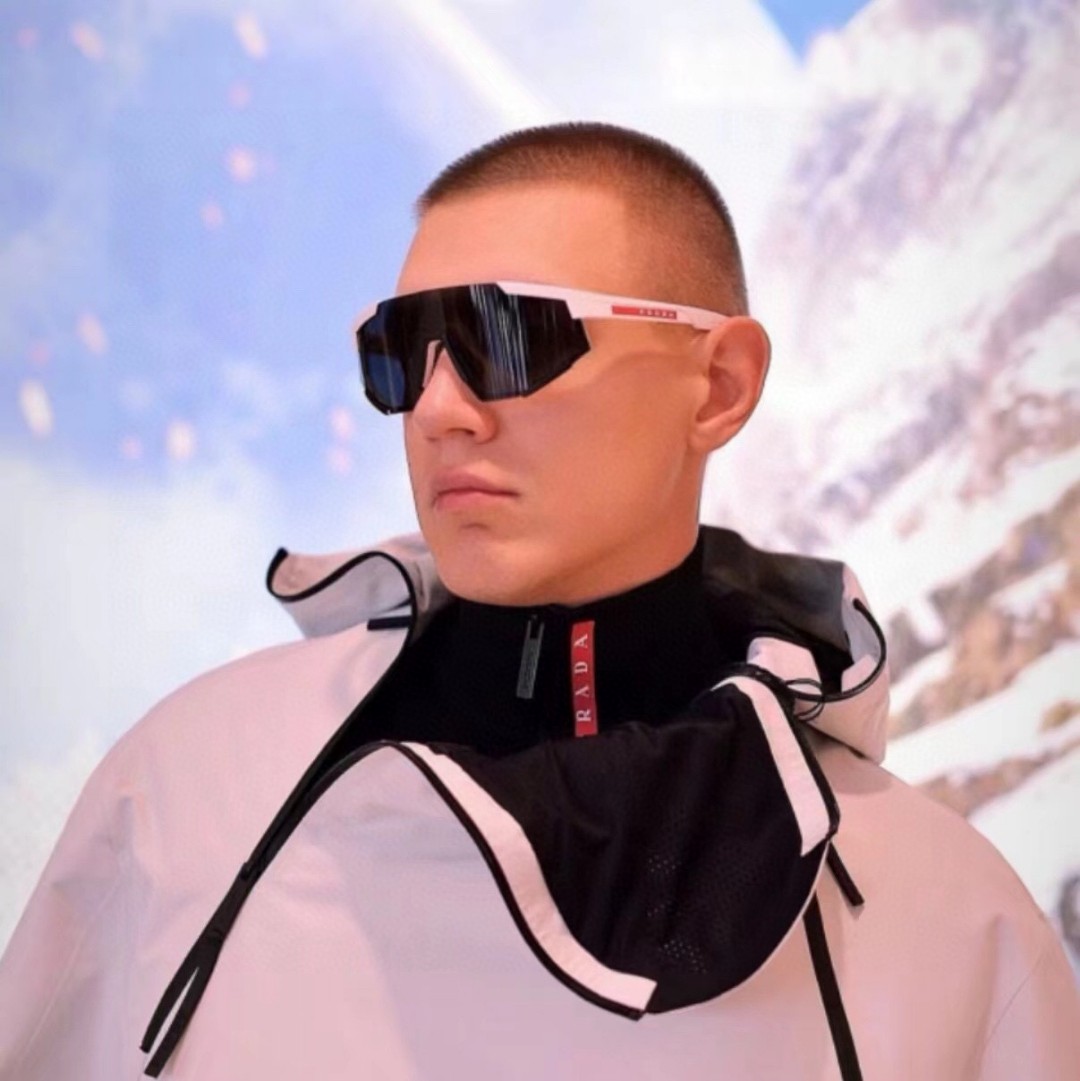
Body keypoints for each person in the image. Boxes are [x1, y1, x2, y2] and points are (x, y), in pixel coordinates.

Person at [1, 122, 1077, 1080]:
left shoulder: (944, 918)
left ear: (719, 385)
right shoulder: (187, 783)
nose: (437, 408)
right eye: (400, 352)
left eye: (505, 337)